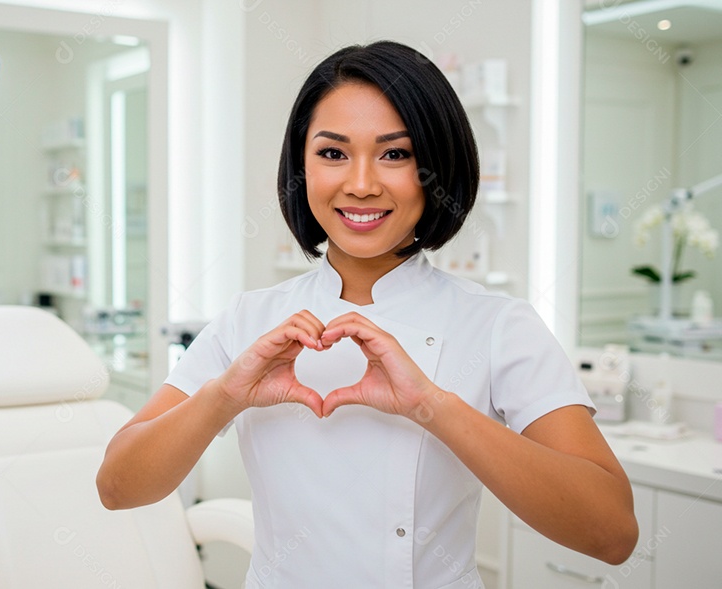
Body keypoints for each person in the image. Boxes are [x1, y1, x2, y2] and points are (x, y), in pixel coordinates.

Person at [97, 41, 637, 588]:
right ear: (301, 167)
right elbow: (119, 486)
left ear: (436, 167)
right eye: (333, 153)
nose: (360, 183)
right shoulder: (248, 318)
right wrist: (225, 395)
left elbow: (611, 532)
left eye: (395, 154)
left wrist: (431, 405)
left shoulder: (497, 325)